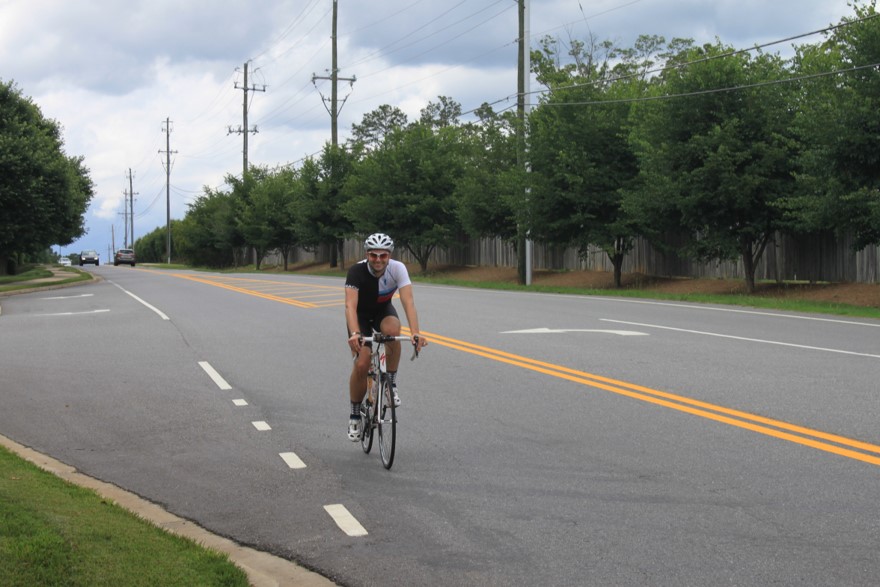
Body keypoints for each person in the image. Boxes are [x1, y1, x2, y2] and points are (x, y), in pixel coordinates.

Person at [344, 233, 427, 441]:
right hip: (361, 316)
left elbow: (408, 302)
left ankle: (390, 384)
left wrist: (415, 332)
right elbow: (350, 306)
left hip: (382, 311)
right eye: (374, 255)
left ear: (389, 255)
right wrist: (355, 333)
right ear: (367, 254)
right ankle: (355, 414)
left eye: (383, 255)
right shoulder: (356, 271)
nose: (378, 260)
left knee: (393, 331)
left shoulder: (398, 269)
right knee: (362, 362)